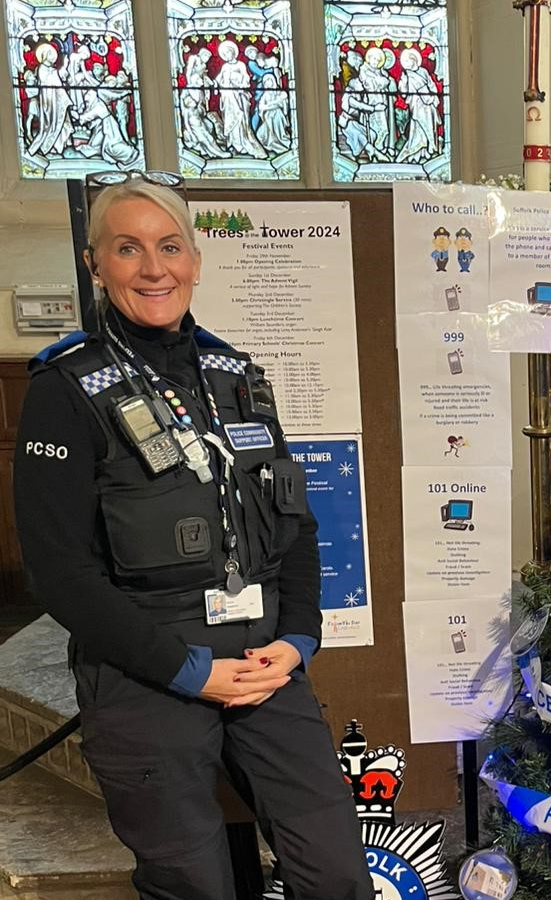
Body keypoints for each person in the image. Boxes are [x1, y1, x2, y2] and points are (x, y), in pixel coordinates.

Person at [13, 175, 373, 900]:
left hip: (265, 664)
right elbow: (58, 573)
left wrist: (298, 639)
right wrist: (185, 669)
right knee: (195, 885)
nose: (154, 269)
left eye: (170, 246)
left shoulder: (236, 376)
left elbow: (295, 523)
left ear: (195, 259)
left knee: (335, 872)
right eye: (129, 249)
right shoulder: (64, 390)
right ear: (96, 264)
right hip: (147, 669)